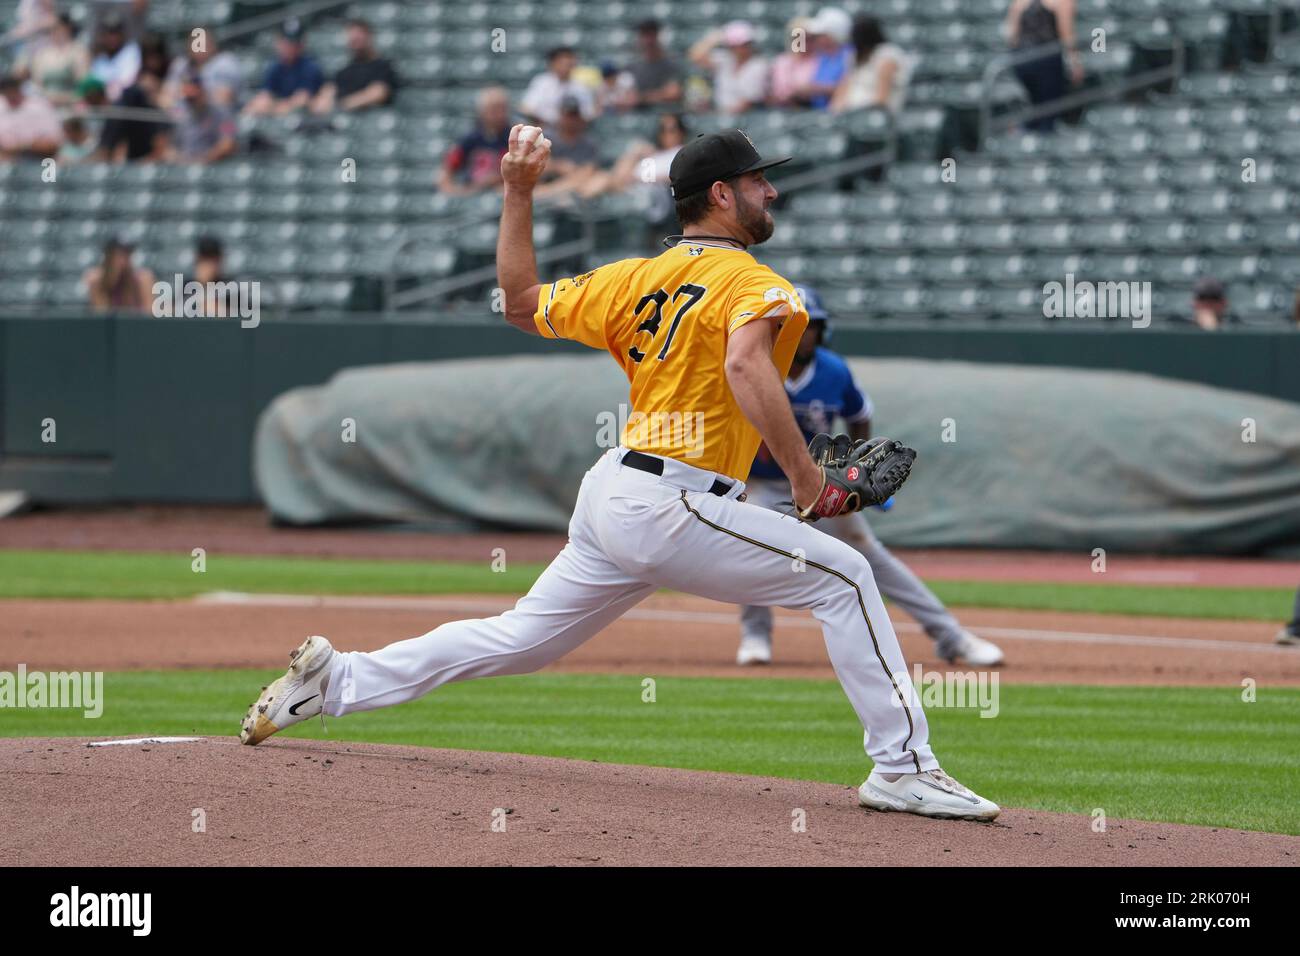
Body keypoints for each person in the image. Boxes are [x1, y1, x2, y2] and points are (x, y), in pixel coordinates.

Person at [239, 124, 1001, 823]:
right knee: (844, 578)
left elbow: (518, 302)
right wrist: (805, 482)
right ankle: (902, 767)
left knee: (522, 639)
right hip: (672, 499)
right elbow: (744, 362)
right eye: (759, 180)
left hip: (616, 493)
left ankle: (337, 681)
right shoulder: (756, 282)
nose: (773, 190)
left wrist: (516, 192)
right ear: (723, 195)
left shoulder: (634, 277)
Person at [734, 286, 1005, 668]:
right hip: (762, 481)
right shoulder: (757, 366)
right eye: (798, 326)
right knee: (755, 549)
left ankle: (951, 637)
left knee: (871, 555)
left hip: (819, 483)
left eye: (813, 326)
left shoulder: (833, 370)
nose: (806, 333)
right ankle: (756, 634)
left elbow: (859, 413)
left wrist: (857, 473)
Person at [572, 111, 686, 200]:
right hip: (627, 181)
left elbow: (676, 177)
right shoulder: (656, 152)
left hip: (646, 191)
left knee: (604, 178)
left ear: (681, 132)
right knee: (587, 171)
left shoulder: (682, 152)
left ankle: (580, 198)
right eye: (662, 129)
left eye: (671, 130)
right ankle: (561, 196)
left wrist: (639, 179)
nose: (665, 134)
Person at [1006, 0, 1082, 133]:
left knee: (1036, 107)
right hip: (1046, 60)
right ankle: (1041, 143)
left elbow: (1012, 36)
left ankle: (1026, 136)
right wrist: (1075, 63)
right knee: (1049, 111)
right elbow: (1066, 34)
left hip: (1021, 61)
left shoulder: (1020, 2)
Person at [310, 17, 398, 114]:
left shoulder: (382, 65)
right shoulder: (345, 70)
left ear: (369, 37)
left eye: (359, 37)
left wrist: (344, 104)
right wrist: (324, 100)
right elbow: (327, 92)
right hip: (343, 122)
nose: (355, 41)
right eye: (352, 39)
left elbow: (378, 93)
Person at [830, 15, 914, 115]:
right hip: (849, 114)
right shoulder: (854, 55)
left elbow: (881, 99)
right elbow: (842, 88)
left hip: (877, 117)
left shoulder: (888, 54)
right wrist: (836, 112)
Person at [437, 85, 510, 195]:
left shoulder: (514, 137)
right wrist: (456, 191)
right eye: (493, 109)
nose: (498, 114)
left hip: (505, 192)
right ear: (481, 111)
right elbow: (447, 170)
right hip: (473, 192)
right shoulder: (469, 138)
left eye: (501, 108)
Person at [242, 19, 323, 117]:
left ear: (301, 45)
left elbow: (302, 99)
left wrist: (276, 108)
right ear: (278, 43)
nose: (289, 47)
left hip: (304, 117)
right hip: (280, 112)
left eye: (294, 43)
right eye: (286, 42)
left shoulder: (309, 66)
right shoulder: (274, 67)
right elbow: (265, 95)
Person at [687, 20, 768, 115]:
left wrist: (722, 116)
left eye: (744, 44)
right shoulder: (725, 59)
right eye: (735, 45)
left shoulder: (759, 65)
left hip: (748, 117)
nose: (739, 49)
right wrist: (715, 38)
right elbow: (695, 56)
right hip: (722, 114)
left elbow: (747, 102)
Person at [160, 24, 242, 111]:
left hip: (220, 120)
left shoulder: (225, 63)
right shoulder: (181, 64)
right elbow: (164, 98)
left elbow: (223, 101)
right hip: (183, 120)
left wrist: (194, 94)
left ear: (212, 44)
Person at [533, 97, 601, 199]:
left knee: (599, 180)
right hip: (547, 184)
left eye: (574, 116)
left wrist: (571, 174)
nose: (571, 120)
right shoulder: (547, 137)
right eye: (568, 116)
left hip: (574, 188)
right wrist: (559, 166)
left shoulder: (588, 143)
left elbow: (589, 171)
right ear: (560, 116)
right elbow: (537, 165)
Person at [167, 67, 236, 164]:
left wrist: (204, 159)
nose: (191, 101)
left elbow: (228, 143)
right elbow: (171, 146)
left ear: (203, 91)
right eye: (188, 98)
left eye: (194, 96)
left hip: (213, 167)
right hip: (185, 165)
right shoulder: (180, 113)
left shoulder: (223, 113)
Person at [20, 13, 90, 106]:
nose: (54, 32)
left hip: (70, 106)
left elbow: (83, 85)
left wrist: (61, 99)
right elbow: (37, 84)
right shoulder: (42, 54)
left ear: (67, 28)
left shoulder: (80, 52)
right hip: (45, 106)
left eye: (57, 28)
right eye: (50, 29)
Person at [519, 46, 595, 126]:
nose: (565, 67)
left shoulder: (581, 87)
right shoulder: (541, 82)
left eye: (569, 63)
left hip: (572, 132)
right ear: (552, 63)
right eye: (561, 63)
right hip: (545, 128)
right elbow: (526, 109)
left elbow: (588, 114)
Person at [619, 19, 683, 109]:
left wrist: (641, 97)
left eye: (651, 34)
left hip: (663, 116)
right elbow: (625, 98)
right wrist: (659, 94)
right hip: (636, 117)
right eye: (644, 35)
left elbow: (673, 93)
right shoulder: (631, 67)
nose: (648, 40)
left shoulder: (671, 65)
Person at [82, 237, 155, 313]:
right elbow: (102, 313)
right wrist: (111, 277)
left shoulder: (142, 279)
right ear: (108, 257)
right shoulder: (97, 280)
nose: (123, 259)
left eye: (127, 254)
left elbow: (147, 314)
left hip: (135, 324)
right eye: (118, 255)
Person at [0, 73, 63, 159]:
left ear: (19, 89)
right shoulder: (2, 106)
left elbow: (53, 144)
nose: (10, 94)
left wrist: (23, 146)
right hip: (8, 163)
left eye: (12, 89)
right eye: (5, 91)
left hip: (39, 161)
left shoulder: (39, 106)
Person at [801, 6, 853, 110]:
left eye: (820, 35)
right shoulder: (821, 56)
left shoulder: (851, 55)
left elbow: (851, 89)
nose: (816, 39)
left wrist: (819, 89)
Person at [87, 13, 140, 101]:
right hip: (101, 102)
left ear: (122, 34)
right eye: (108, 33)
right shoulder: (100, 56)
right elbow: (94, 82)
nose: (112, 38)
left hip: (124, 102)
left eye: (115, 33)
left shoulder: (130, 51)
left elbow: (127, 83)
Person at [768, 15, 817, 107]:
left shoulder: (820, 60)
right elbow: (778, 91)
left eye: (807, 38)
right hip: (784, 107)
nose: (802, 42)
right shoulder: (782, 61)